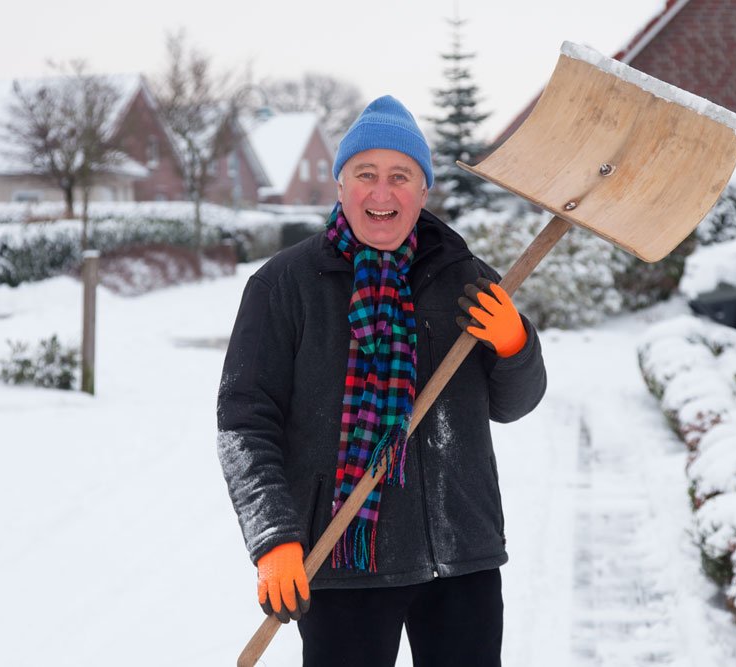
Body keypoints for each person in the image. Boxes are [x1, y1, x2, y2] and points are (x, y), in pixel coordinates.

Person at [217, 95, 547, 667]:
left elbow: (514, 403)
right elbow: (245, 423)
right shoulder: (284, 287)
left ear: (424, 191)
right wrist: (274, 538)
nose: (381, 191)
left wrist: (516, 345)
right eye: (365, 174)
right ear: (340, 186)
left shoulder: (466, 279)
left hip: (461, 553)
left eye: (401, 176)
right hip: (342, 556)